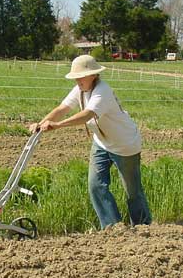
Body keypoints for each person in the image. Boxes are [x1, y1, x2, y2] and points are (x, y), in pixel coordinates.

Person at [29, 55, 152, 228]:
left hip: (125, 144)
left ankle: (143, 227)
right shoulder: (80, 89)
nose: (77, 80)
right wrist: (40, 124)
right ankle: (113, 228)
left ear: (93, 75)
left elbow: (87, 114)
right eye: (75, 77)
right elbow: (62, 108)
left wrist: (57, 125)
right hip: (102, 143)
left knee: (132, 191)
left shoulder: (103, 91)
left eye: (81, 76)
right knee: (95, 186)